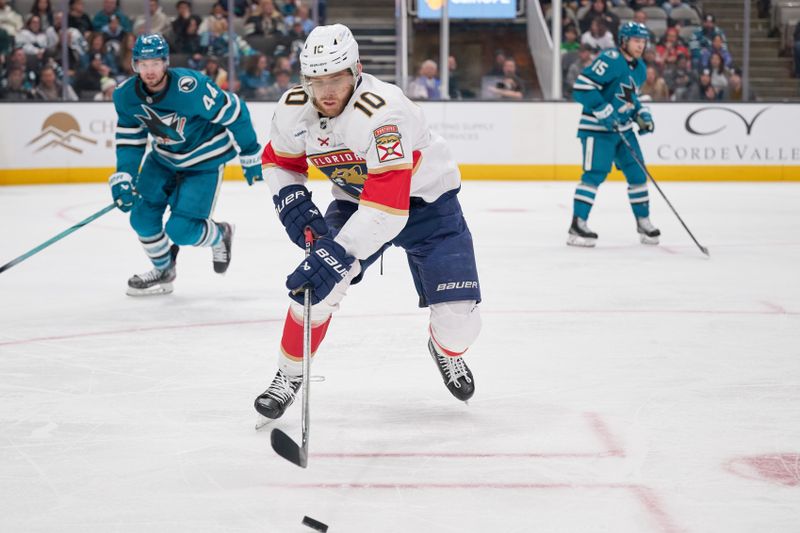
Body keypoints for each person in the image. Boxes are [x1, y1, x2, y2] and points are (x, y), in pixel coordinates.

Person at [254, 23, 482, 421]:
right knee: (317, 288)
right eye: (315, 79)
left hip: (430, 207)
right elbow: (279, 160)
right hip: (357, 202)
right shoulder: (295, 108)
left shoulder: (383, 112)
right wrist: (290, 199)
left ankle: (444, 350)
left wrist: (337, 253)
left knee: (459, 325)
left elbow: (388, 209)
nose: (325, 91)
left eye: (335, 78)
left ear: (356, 71)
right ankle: (289, 375)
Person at [109, 33, 263, 295]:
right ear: (134, 64)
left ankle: (220, 234)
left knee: (181, 231)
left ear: (166, 62)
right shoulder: (125, 96)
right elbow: (130, 139)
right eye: (143, 64)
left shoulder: (192, 88)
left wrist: (249, 152)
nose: (150, 70)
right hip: (163, 160)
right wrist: (123, 175)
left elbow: (236, 112)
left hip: (204, 162)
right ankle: (164, 270)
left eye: (155, 63)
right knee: (142, 218)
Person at [568, 21, 660, 247]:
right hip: (597, 131)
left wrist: (641, 113)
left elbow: (630, 97)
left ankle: (643, 222)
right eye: (636, 41)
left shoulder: (639, 68)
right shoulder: (610, 59)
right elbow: (582, 87)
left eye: (643, 41)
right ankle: (577, 225)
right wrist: (602, 109)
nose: (640, 45)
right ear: (624, 41)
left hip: (624, 131)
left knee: (638, 175)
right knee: (594, 175)